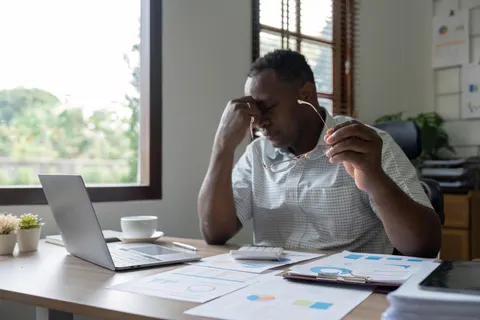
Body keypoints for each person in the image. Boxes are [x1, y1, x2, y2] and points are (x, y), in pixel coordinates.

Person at [197, 49, 441, 258]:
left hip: (348, 290)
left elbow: (424, 247)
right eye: (254, 111)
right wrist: (223, 147)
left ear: (305, 95)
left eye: (268, 107)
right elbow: (215, 232)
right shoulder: (257, 153)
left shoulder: (364, 145)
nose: (260, 121)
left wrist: (375, 177)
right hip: (270, 292)